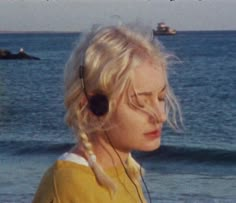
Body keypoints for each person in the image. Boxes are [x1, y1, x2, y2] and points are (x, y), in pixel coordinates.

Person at [32, 24, 182, 203]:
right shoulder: (68, 185)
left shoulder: (125, 171)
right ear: (94, 106)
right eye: (141, 102)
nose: (161, 116)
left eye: (161, 97)